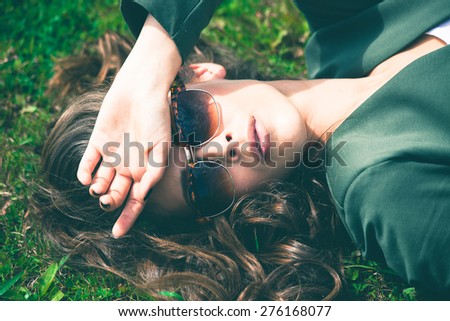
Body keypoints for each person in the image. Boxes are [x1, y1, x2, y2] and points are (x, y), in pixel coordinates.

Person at [32, 1, 450, 298]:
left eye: (188, 121)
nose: (222, 148)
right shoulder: (388, 191)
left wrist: (153, 59)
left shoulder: (345, 13)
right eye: (203, 183)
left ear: (198, 72)